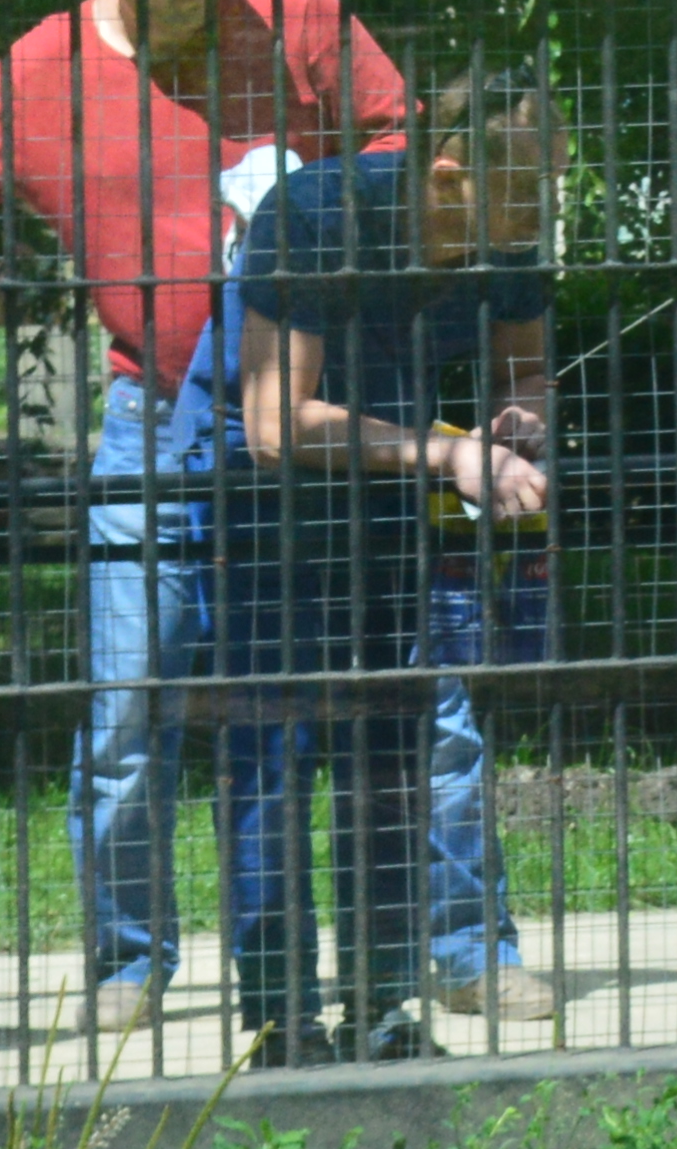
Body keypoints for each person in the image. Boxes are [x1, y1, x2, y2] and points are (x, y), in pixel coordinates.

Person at [0, 0, 550, 1042]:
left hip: (336, 407)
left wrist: (310, 214)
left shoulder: (293, 14)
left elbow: (421, 147)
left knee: (420, 693)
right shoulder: (40, 77)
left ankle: (461, 946)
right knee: (130, 702)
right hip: (161, 422)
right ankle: (130, 958)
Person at [213, 73, 559, 1068]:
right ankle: (282, 1019)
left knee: (390, 761)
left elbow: (524, 367)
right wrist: (447, 454)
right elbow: (275, 422)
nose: (546, 212)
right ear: (449, 176)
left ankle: (380, 1009)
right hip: (267, 483)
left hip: (390, 484)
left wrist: (520, 414)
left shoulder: (508, 240)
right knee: (275, 753)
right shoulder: (314, 217)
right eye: (531, 190)